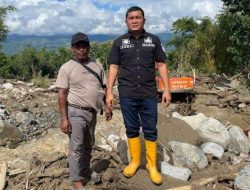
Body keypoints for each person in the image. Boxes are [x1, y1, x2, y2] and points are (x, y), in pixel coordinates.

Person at [106, 6, 171, 185]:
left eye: (138, 17)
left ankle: (152, 166)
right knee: (131, 128)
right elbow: (113, 67)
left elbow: (162, 65)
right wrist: (109, 92)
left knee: (150, 129)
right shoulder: (119, 42)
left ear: (144, 20)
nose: (134, 20)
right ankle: (135, 161)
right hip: (127, 93)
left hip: (149, 93)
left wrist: (167, 89)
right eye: (131, 18)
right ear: (126, 21)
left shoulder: (154, 40)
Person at [56, 32, 111, 190]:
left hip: (92, 113)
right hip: (75, 112)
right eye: (78, 46)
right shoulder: (67, 67)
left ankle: (85, 170)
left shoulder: (97, 64)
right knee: (77, 147)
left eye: (84, 46)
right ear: (72, 48)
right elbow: (62, 94)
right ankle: (77, 180)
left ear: (89, 47)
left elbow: (105, 87)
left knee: (89, 145)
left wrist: (107, 106)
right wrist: (64, 118)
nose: (81, 49)